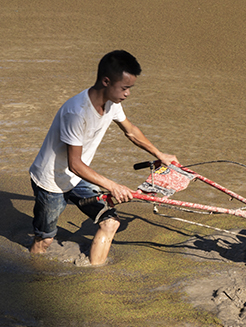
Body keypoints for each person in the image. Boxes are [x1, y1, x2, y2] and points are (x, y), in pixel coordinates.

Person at [28, 50, 178, 265]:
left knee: (110, 223)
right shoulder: (76, 112)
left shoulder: (113, 104)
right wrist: (113, 186)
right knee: (45, 240)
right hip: (51, 180)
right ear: (106, 81)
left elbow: (131, 131)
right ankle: (35, 273)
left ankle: (96, 277)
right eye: (124, 88)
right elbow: (75, 163)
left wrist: (159, 154)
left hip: (77, 177)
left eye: (129, 88)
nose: (127, 94)